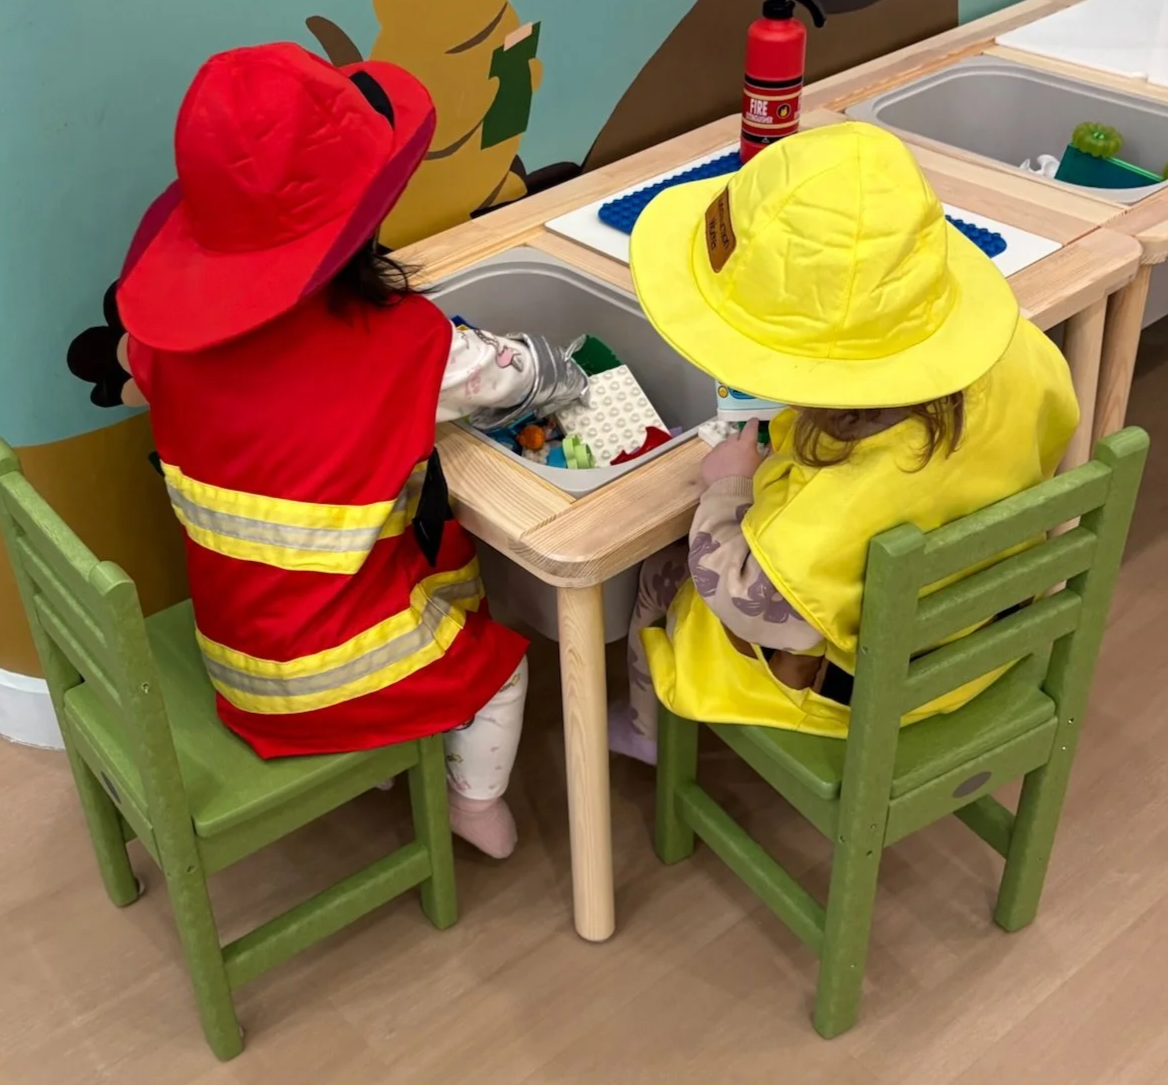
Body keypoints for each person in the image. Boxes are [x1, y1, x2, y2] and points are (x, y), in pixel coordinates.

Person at [101, 41, 590, 858]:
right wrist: (562, 375)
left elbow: (158, 369)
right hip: (332, 671)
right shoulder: (407, 346)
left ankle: (389, 755)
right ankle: (472, 803)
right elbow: (508, 376)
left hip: (233, 650)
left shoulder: (165, 349)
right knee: (502, 666)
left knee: (427, 567)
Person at [608, 121, 1080, 762]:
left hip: (873, 690)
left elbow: (752, 604)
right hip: (984, 638)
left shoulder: (837, 502)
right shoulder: (1029, 355)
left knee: (662, 570)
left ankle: (644, 732)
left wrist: (724, 488)